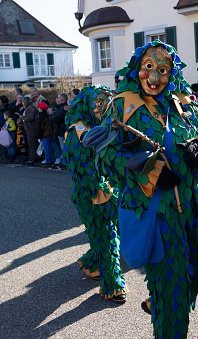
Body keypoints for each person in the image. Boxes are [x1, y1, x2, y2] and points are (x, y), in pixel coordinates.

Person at [95, 41, 198, 338]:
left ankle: (162, 300)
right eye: (149, 68)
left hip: (192, 208)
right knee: (172, 286)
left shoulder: (183, 101)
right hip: (158, 213)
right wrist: (150, 171)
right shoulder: (122, 105)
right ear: (137, 70)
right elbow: (104, 155)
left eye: (163, 70)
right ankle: (167, 315)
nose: (154, 79)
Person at [64, 85, 127, 303]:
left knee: (111, 233)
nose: (101, 108)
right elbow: (79, 168)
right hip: (92, 194)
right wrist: (99, 189)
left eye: (104, 103)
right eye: (97, 104)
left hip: (111, 188)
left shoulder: (103, 125)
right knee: (108, 235)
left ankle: (91, 263)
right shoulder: (77, 130)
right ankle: (113, 285)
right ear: (87, 104)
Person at [49, 92, 69, 166]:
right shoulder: (59, 108)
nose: (56, 99)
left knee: (63, 147)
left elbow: (56, 118)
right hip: (59, 130)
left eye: (58, 98)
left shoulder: (63, 108)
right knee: (62, 146)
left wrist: (51, 114)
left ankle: (64, 162)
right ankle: (63, 160)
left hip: (62, 131)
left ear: (62, 100)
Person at [19, 96, 38, 165]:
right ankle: (33, 157)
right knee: (32, 144)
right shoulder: (30, 108)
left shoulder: (29, 109)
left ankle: (32, 159)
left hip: (31, 129)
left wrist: (22, 117)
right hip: (31, 129)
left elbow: (30, 118)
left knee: (32, 144)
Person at [36, 102, 53, 168]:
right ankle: (50, 160)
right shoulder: (47, 116)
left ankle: (48, 161)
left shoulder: (41, 117)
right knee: (48, 148)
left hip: (45, 135)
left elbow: (40, 128)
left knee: (46, 148)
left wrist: (39, 136)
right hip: (49, 134)